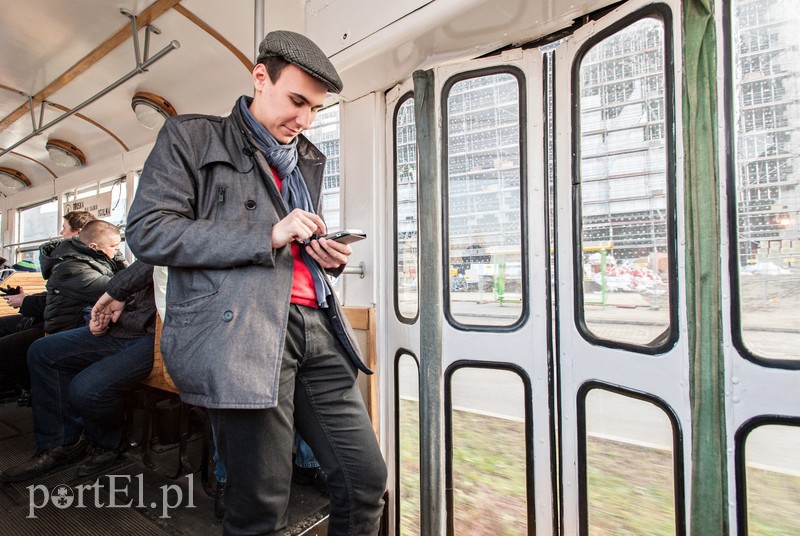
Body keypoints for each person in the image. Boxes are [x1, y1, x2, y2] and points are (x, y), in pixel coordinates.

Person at [126, 30, 386, 535]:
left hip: (318, 327)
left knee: (365, 482)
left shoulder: (304, 160)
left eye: (315, 109)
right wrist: (267, 232)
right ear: (260, 78)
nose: (305, 120)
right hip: (244, 332)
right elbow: (149, 232)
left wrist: (322, 256)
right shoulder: (190, 137)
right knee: (262, 506)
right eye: (296, 101)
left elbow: (291, 245)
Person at [0, 261, 156, 482]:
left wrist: (113, 294)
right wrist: (106, 313)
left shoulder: (174, 244)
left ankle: (107, 444)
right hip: (124, 328)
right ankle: (62, 443)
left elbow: (146, 264)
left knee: (87, 388)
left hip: (158, 338)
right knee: (43, 351)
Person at [0, 216, 119, 403]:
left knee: (13, 349)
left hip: (67, 324)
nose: (61, 234)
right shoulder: (75, 263)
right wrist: (27, 301)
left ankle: (37, 390)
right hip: (57, 319)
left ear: (79, 233)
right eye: (115, 247)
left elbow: (114, 288)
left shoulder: (78, 264)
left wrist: (26, 302)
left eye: (64, 228)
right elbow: (59, 295)